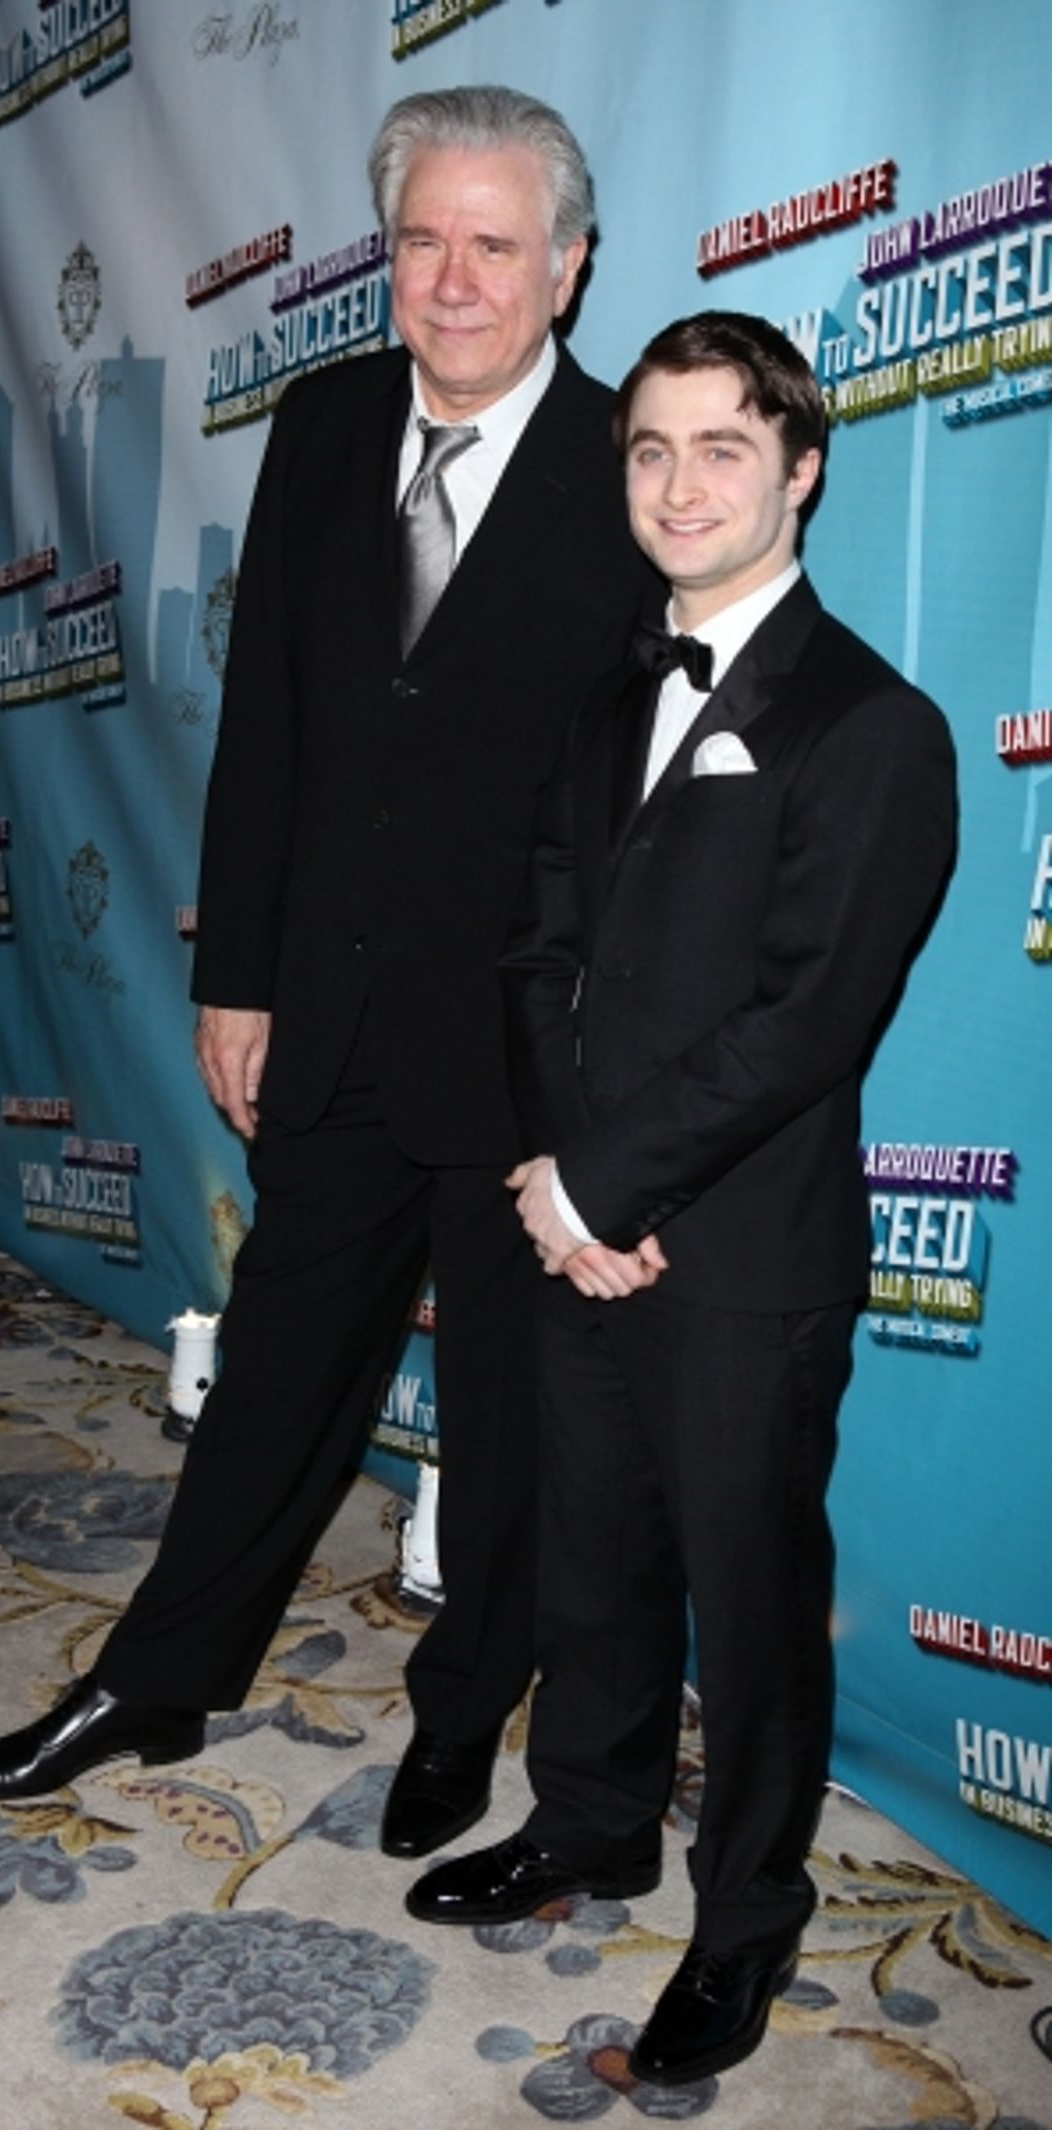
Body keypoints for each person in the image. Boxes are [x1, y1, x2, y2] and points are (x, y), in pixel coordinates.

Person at [0, 86, 652, 1859]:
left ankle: (463, 1717)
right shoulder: (325, 421)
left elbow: (646, 800)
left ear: (565, 267)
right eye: (421, 241)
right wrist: (233, 971)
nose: (454, 280)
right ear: (383, 256)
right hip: (326, 1016)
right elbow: (271, 731)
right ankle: (158, 1674)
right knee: (272, 1375)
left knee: (503, 1423)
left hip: (527, 1054)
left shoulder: (635, 464)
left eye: (495, 246)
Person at [405, 311, 957, 2085]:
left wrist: (608, 1179)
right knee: (594, 1561)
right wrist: (566, 1193)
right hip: (586, 1227)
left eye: (725, 445)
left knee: (748, 1589)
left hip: (744, 1251)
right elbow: (540, 948)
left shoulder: (878, 723)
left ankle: (745, 1920)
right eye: (648, 448)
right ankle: (590, 1817)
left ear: (800, 467)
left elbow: (807, 1019)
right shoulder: (600, 698)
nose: (680, 482)